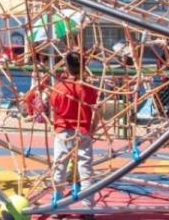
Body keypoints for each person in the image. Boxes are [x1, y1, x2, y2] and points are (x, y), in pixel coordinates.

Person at [50, 52, 98, 219]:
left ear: (66, 66)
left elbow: (53, 110)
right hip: (82, 132)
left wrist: (55, 126)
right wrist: (93, 129)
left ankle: (58, 205)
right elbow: (97, 110)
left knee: (59, 168)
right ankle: (88, 207)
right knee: (85, 169)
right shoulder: (88, 87)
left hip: (63, 132)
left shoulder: (59, 87)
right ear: (83, 67)